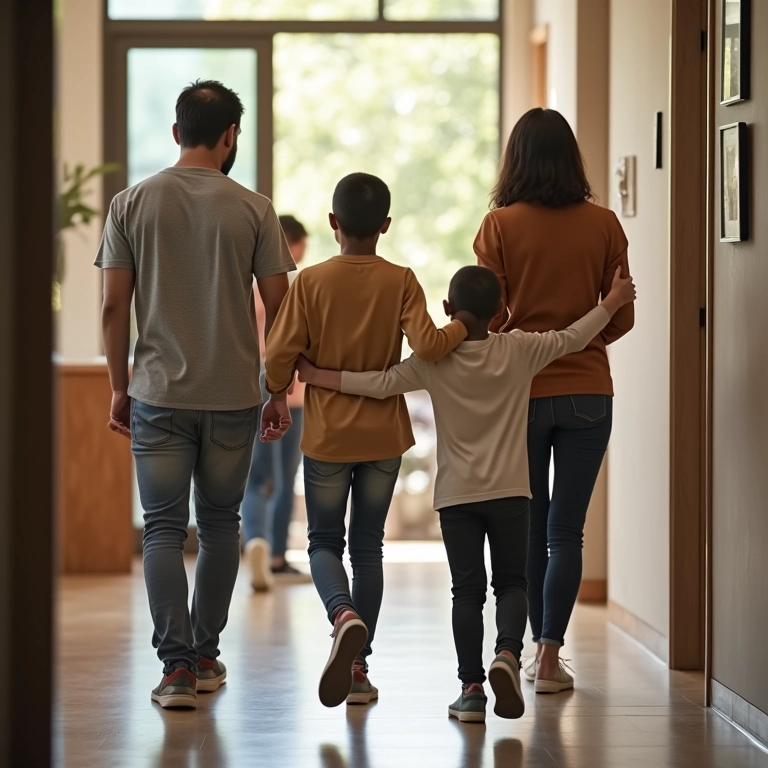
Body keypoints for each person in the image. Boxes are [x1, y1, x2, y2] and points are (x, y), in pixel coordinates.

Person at [295, 265, 636, 723]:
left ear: (447, 311)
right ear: (501, 312)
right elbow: (574, 337)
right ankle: (509, 657)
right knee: (512, 583)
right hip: (513, 493)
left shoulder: (436, 362)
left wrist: (317, 374)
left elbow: (379, 384)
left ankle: (471, 689)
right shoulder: (520, 349)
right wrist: (612, 301)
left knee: (466, 592)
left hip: (457, 499)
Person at [96, 80, 295, 709]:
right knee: (218, 526)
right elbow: (281, 308)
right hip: (234, 394)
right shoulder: (255, 209)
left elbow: (112, 307)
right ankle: (206, 656)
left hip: (156, 392)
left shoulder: (131, 204)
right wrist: (279, 390)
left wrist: (118, 386)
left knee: (161, 529)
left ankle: (175, 669)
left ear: (177, 132)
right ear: (230, 135)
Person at [263, 172, 472, 708]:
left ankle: (342, 614)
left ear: (333, 224)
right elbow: (428, 346)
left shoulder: (309, 282)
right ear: (384, 226)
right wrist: (462, 328)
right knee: (368, 548)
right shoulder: (400, 279)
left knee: (323, 543)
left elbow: (278, 356)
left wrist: (275, 391)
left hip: (328, 435)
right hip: (383, 437)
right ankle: (357, 669)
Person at [474, 107, 635, 693]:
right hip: (590, 391)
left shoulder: (499, 227)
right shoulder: (604, 224)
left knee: (530, 523)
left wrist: (525, 336)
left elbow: (485, 322)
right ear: (571, 157)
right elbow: (623, 316)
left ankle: (517, 652)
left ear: (515, 159)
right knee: (567, 530)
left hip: (521, 394)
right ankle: (548, 659)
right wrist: (579, 337)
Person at [242, 215, 311, 591]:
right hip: (290, 389)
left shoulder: (245, 283)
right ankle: (277, 557)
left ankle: (255, 540)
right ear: (290, 242)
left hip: (246, 383)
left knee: (255, 476)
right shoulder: (295, 285)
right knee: (283, 479)